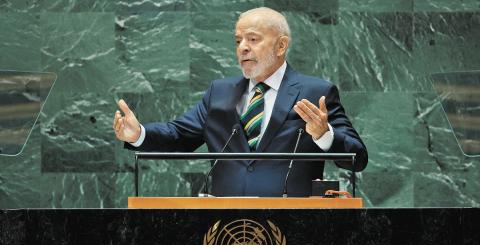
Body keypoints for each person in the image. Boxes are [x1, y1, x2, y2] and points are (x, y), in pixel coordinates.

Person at [113, 7, 368, 197]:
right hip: (226, 229)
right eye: (238, 41)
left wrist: (325, 136)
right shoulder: (220, 92)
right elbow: (180, 135)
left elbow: (358, 158)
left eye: (253, 39)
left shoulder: (316, 92)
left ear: (281, 46)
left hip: (295, 226)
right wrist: (139, 135)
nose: (242, 48)